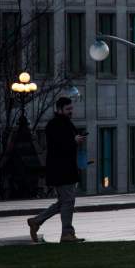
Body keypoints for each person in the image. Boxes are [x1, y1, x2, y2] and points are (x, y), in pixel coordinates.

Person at [27, 96, 86, 243]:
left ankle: (37, 221)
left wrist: (75, 141)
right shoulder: (54, 125)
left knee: (64, 202)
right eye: (68, 109)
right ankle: (66, 233)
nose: (71, 111)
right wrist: (74, 141)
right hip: (61, 170)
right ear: (59, 109)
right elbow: (59, 146)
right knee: (68, 201)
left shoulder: (65, 123)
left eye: (71, 108)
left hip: (66, 169)